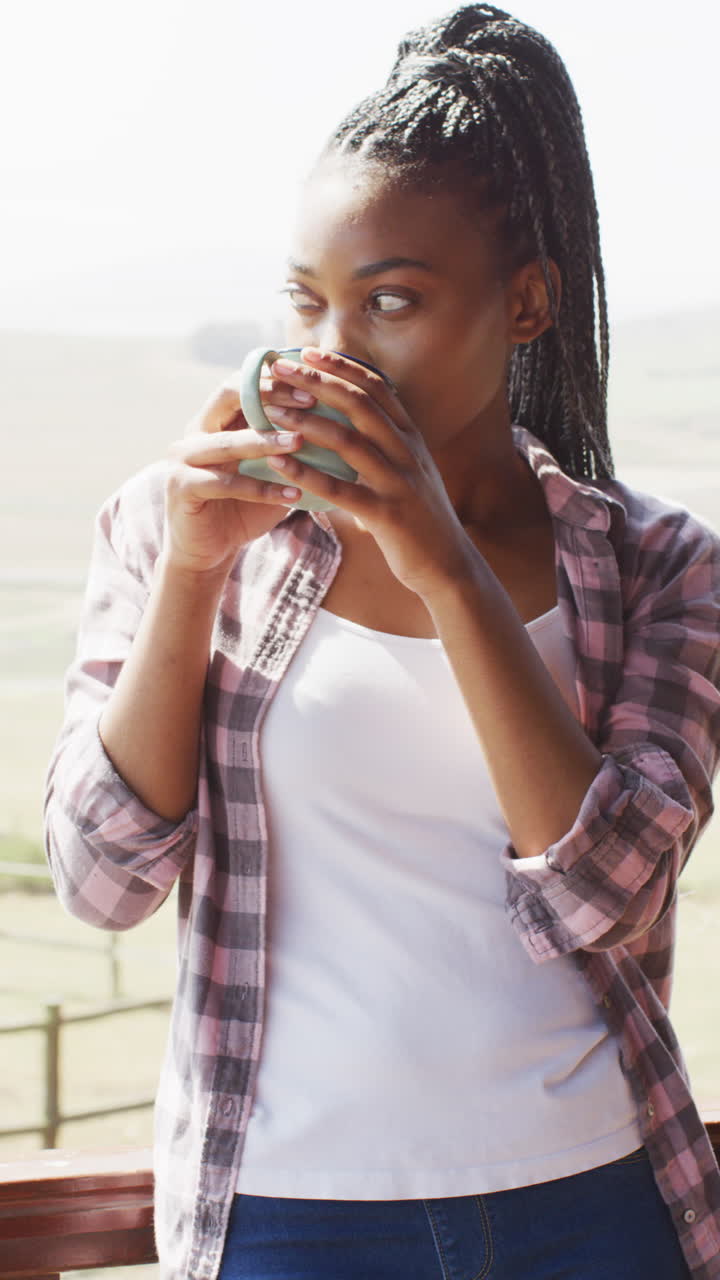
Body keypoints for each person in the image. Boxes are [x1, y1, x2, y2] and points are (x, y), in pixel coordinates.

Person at [44, 4, 720, 1278]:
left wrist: (448, 566)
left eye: (393, 301)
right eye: (308, 305)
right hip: (292, 1209)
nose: (333, 354)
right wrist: (192, 576)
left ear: (525, 303)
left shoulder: (658, 562)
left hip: (591, 1197)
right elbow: (102, 882)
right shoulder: (174, 522)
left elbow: (607, 895)